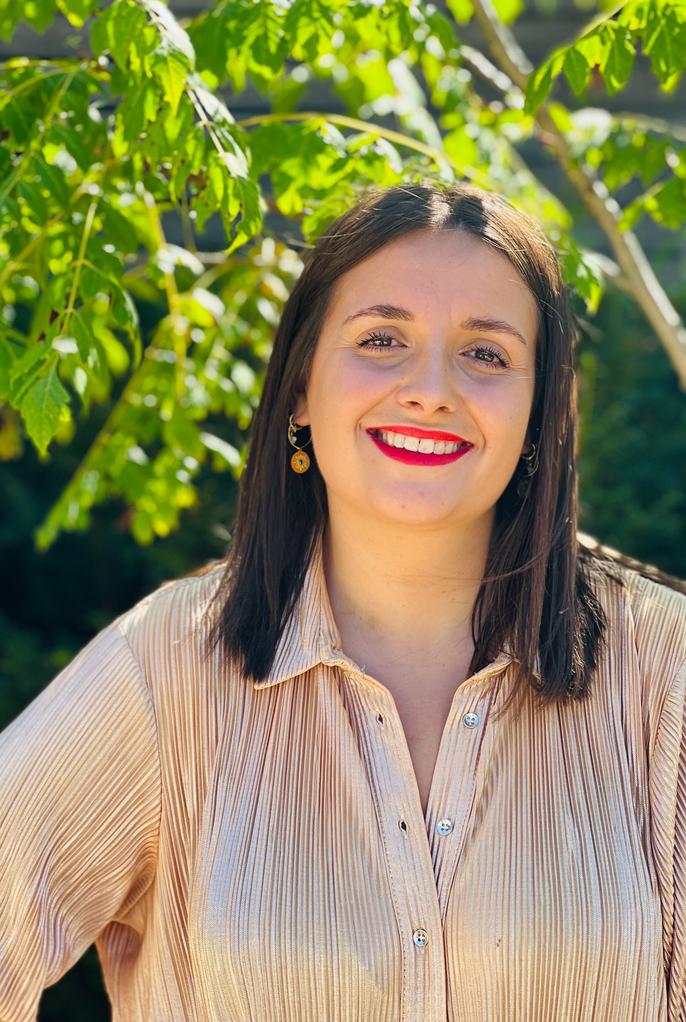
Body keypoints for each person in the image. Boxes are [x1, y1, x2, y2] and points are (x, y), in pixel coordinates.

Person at [1, 181, 685, 1022]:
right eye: (383, 339)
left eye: (487, 354)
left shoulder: (664, 671)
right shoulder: (164, 667)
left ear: (541, 412)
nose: (430, 389)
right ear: (298, 391)